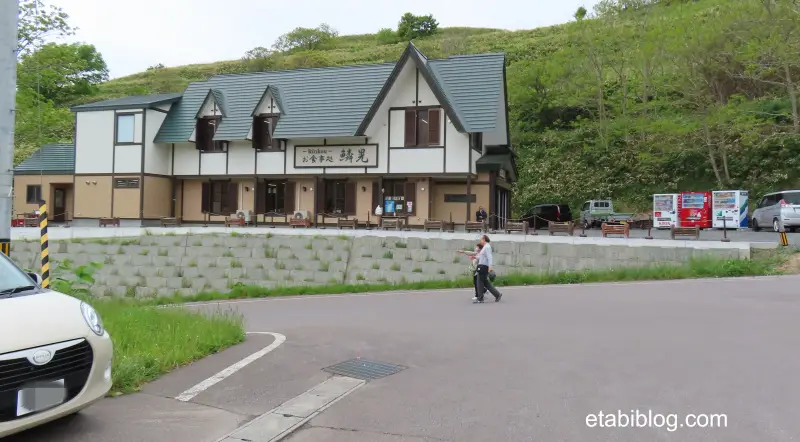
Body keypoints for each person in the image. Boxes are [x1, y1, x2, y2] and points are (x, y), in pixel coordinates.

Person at [459, 235, 502, 303]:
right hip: (482, 266)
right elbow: (482, 257)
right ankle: (497, 295)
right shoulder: (485, 247)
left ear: (484, 239)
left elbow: (489, 257)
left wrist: (490, 268)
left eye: (481, 239)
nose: (480, 241)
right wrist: (475, 257)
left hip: (483, 267)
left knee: (479, 282)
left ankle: (480, 298)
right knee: (485, 283)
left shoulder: (487, 247)